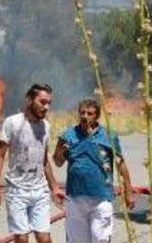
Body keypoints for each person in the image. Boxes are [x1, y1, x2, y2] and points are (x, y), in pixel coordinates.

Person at [53, 98, 136, 243]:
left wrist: (128, 192)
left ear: (97, 116)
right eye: (82, 113)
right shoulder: (68, 136)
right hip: (75, 198)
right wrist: (60, 150)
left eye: (90, 113)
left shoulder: (109, 136)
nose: (85, 116)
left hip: (101, 198)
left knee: (101, 240)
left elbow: (120, 164)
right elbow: (58, 162)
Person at [0, 84, 65, 243]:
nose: (46, 107)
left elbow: (43, 160)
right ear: (30, 99)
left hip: (40, 190)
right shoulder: (12, 123)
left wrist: (55, 187)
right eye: (43, 102)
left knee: (44, 238)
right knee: (22, 239)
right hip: (17, 190)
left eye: (49, 103)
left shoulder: (46, 126)